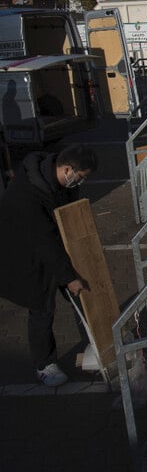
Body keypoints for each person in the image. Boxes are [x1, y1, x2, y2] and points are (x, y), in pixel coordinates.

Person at [0, 144, 98, 387]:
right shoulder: (27, 195)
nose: (80, 183)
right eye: (80, 178)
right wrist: (68, 277)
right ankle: (44, 365)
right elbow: (43, 241)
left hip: (52, 248)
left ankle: (98, 343)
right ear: (67, 170)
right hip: (26, 256)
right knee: (42, 308)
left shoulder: (58, 182)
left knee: (81, 295)